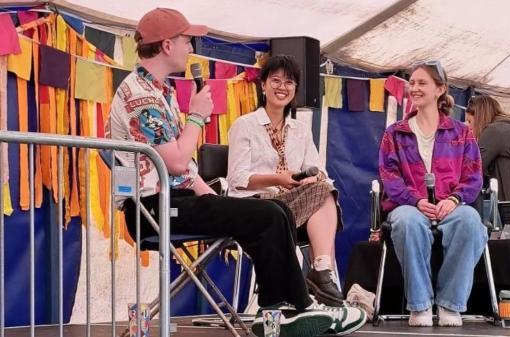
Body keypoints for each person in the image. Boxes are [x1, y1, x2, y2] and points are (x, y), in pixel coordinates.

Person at [107, 8, 365, 337]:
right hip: (153, 208)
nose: (191, 47)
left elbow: (182, 169)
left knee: (274, 209)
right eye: (187, 40)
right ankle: (296, 306)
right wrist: (198, 117)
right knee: (268, 214)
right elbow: (173, 162)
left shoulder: (161, 91)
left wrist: (212, 197)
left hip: (176, 198)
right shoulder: (142, 97)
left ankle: (278, 311)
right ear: (167, 45)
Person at [227, 55, 345, 307]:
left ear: (296, 89)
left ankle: (322, 270)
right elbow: (237, 179)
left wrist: (309, 178)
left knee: (324, 188)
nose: (282, 87)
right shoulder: (244, 125)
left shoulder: (300, 130)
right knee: (322, 193)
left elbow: (319, 171)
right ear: (263, 85)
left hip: (290, 204)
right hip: (255, 206)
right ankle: (321, 276)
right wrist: (277, 178)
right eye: (276, 80)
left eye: (289, 82)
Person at [376, 60, 487, 327]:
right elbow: (389, 176)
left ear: (440, 89)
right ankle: (420, 305)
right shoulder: (394, 134)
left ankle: (450, 304)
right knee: (407, 222)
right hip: (409, 205)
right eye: (411, 83)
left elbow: (473, 176)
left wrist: (453, 200)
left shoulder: (462, 133)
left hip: (451, 204)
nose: (414, 88)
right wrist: (416, 200)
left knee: (470, 222)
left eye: (421, 83)